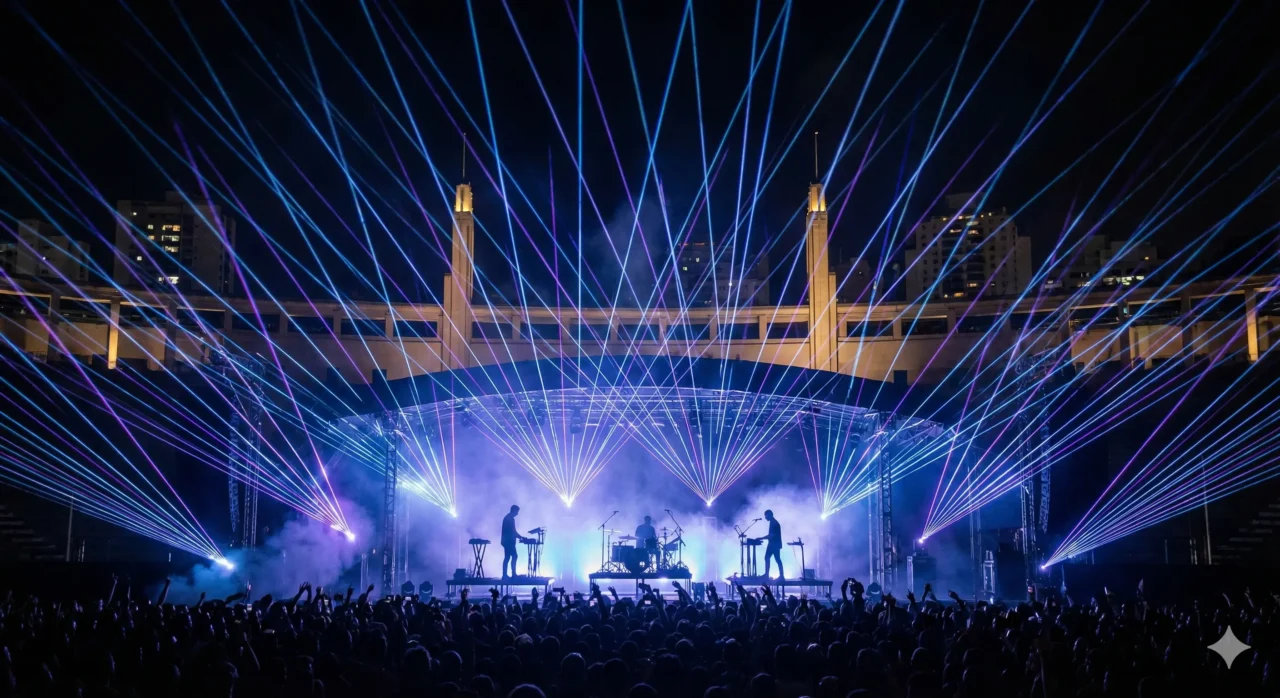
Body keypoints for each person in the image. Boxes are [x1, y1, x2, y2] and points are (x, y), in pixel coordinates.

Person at [763, 509, 783, 580]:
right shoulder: (772, 522)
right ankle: (767, 575)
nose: (765, 518)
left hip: (774, 545)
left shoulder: (774, 523)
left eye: (766, 516)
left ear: (769, 515)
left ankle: (781, 576)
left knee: (776, 559)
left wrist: (761, 538)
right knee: (768, 558)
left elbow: (771, 535)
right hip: (772, 544)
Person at [501, 505, 521, 578]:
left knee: (507, 557)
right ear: (514, 511)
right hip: (509, 542)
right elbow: (513, 531)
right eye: (517, 512)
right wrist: (521, 537)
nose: (517, 514)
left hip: (507, 541)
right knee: (514, 556)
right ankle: (512, 574)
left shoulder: (507, 518)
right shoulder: (510, 519)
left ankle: (505, 574)